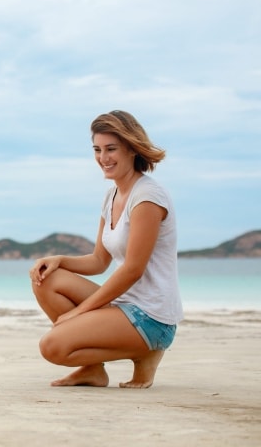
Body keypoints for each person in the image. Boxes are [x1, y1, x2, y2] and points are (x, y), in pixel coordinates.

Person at [29, 110, 183, 388]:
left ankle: (146, 351)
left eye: (111, 149)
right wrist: (59, 259)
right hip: (123, 306)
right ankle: (92, 370)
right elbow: (99, 261)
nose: (103, 158)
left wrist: (79, 311)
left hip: (151, 316)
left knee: (53, 346)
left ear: (132, 149)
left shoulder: (148, 197)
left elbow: (133, 270)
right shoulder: (112, 195)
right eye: (98, 150)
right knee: (46, 278)